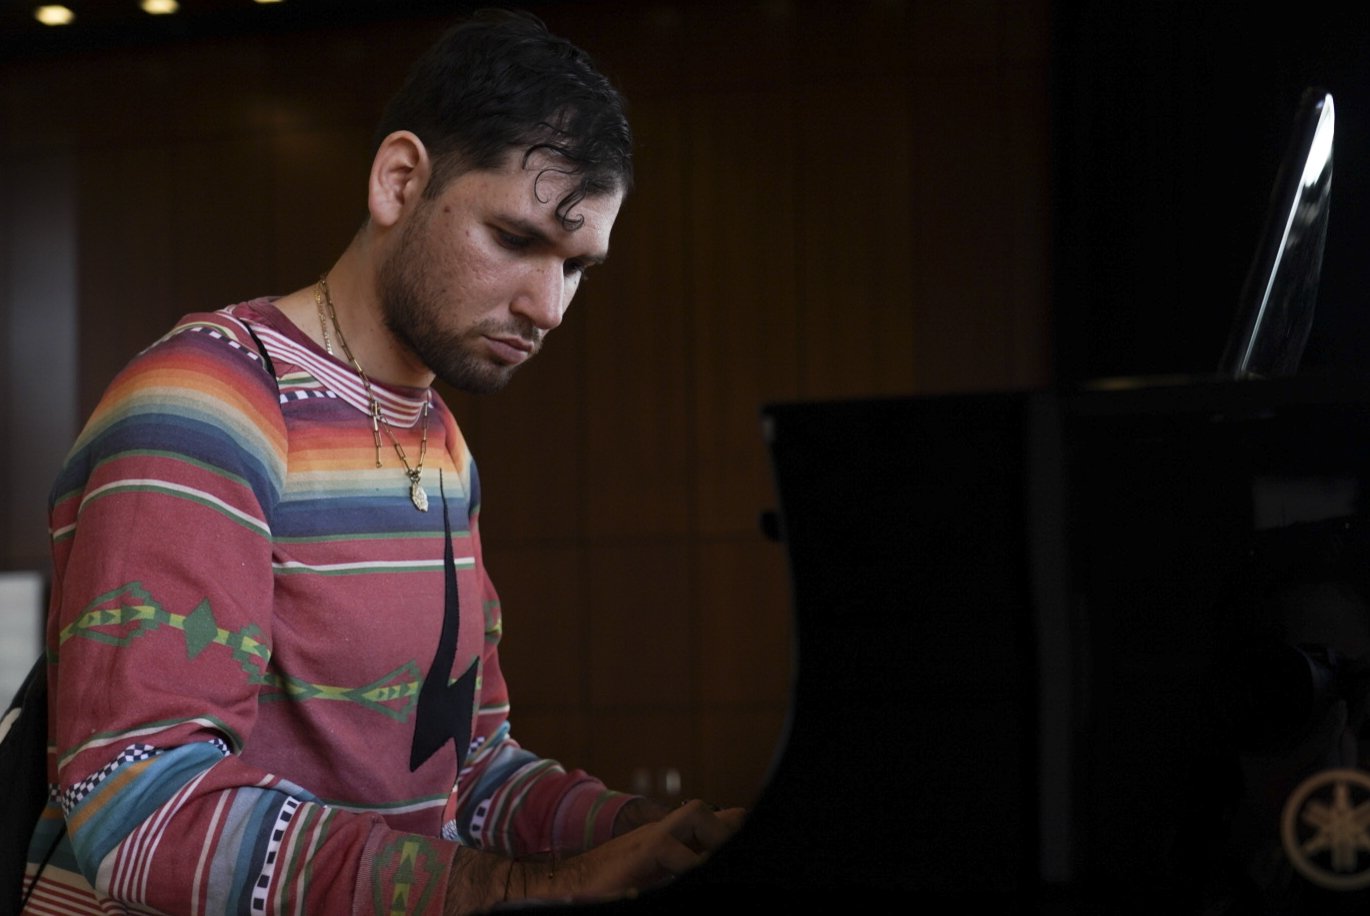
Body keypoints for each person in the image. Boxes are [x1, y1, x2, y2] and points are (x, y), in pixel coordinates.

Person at [21, 10, 742, 915]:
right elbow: (141, 811)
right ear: (399, 180)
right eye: (516, 240)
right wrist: (525, 887)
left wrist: (649, 835)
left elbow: (465, 773)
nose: (549, 306)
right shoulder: (209, 402)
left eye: (577, 266)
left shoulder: (438, 439)